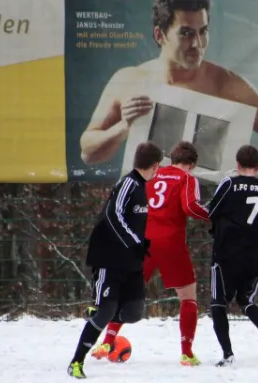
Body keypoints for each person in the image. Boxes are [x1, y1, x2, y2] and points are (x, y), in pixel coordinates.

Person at [79, 0, 258, 176]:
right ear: (160, 35)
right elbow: (88, 153)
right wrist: (123, 127)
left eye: (203, 31)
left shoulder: (227, 84)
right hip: (149, 202)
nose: (197, 43)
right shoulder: (130, 80)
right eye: (186, 33)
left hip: (205, 203)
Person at [90, 141, 209, 366]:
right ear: (191, 165)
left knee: (125, 294)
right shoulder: (187, 179)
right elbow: (190, 207)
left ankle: (107, 341)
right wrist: (214, 215)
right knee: (188, 297)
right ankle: (186, 353)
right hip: (171, 243)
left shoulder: (153, 174)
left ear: (171, 160)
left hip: (142, 241)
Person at [67, 142, 163, 379]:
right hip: (109, 258)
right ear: (154, 166)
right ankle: (76, 362)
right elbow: (113, 215)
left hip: (131, 261)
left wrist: (141, 244)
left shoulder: (142, 186)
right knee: (106, 311)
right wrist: (134, 242)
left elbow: (133, 222)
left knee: (134, 313)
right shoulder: (128, 183)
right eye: (157, 168)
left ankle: (99, 312)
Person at [207, 144, 258, 367]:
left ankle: (228, 354)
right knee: (246, 300)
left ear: (237, 164)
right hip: (253, 255)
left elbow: (212, 209)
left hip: (227, 255)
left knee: (219, 304)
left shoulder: (229, 183)